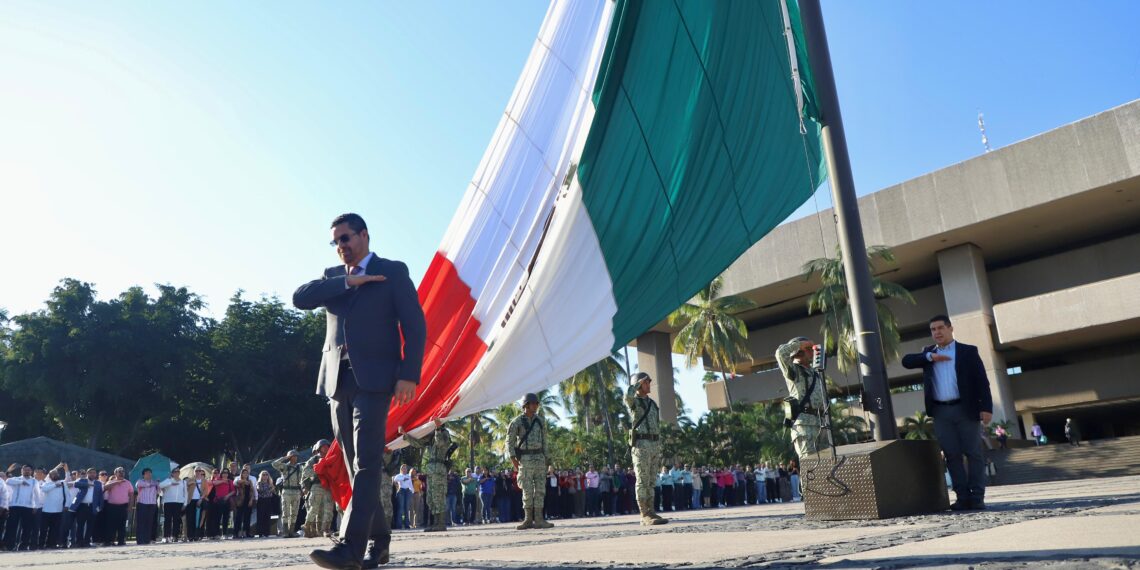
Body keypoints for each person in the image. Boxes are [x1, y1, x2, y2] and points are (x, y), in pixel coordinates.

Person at [294, 212, 427, 570]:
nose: (342, 247)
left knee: (367, 463)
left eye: (347, 238)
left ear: (364, 235)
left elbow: (416, 327)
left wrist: (409, 374)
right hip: (338, 382)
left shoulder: (393, 271)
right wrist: (349, 283)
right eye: (336, 241)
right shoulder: (333, 278)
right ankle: (380, 543)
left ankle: (351, 547)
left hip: (376, 381)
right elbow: (299, 298)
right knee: (355, 469)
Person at [902, 314, 994, 511]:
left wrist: (986, 408)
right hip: (941, 412)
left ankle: (977, 497)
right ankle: (962, 497)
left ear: (950, 328)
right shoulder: (927, 353)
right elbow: (906, 361)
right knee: (951, 456)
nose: (937, 332)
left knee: (974, 453)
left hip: (966, 409)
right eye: (933, 329)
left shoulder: (967, 351)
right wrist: (930, 357)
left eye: (940, 328)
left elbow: (982, 381)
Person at [625, 372, 668, 526]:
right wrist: (636, 384)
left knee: (651, 481)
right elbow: (627, 397)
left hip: (654, 445)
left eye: (649, 382)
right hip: (641, 445)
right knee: (642, 480)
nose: (649, 384)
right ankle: (644, 513)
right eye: (646, 382)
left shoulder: (653, 404)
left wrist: (659, 445)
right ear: (639, 385)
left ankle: (651, 510)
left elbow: (657, 425)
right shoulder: (634, 402)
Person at [776, 337, 829, 459]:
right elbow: (780, 353)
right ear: (799, 352)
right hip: (805, 427)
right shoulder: (794, 371)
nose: (812, 352)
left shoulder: (814, 372)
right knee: (810, 467)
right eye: (809, 349)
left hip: (821, 425)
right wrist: (800, 344)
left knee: (827, 469)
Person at [507, 393, 553, 530]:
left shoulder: (540, 420)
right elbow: (509, 442)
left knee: (540, 490)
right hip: (525, 460)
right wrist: (513, 459)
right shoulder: (516, 422)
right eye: (533, 403)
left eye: (537, 404)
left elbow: (545, 441)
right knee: (527, 490)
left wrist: (548, 460)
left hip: (539, 458)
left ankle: (539, 519)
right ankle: (528, 519)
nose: (536, 406)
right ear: (526, 405)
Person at [400, 419, 453, 533]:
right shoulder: (431, 437)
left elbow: (440, 443)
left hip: (439, 469)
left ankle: (441, 523)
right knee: (431, 497)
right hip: (431, 470)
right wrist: (405, 435)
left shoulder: (444, 434)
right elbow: (418, 443)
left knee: (438, 496)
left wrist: (438, 429)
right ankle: (434, 523)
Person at [303, 439, 335, 538]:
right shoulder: (313, 460)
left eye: (327, 446)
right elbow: (306, 472)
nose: (325, 448)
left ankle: (325, 529)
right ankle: (307, 526)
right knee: (314, 508)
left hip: (329, 486)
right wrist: (319, 469)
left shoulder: (332, 458)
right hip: (317, 485)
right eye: (323, 446)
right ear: (318, 448)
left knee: (329, 509)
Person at [272, 450, 304, 538]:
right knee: (285, 512)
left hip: (296, 492)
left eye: (296, 456)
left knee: (294, 512)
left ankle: (291, 531)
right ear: (290, 457)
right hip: (286, 491)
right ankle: (285, 531)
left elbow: (303, 479)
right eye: (293, 456)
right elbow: (274, 464)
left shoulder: (299, 468)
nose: (295, 458)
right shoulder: (285, 467)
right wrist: (285, 458)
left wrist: (303, 490)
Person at [70, 468, 103, 548]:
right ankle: (79, 542)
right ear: (87, 474)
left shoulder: (98, 483)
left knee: (90, 525)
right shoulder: (83, 480)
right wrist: (87, 485)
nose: (92, 474)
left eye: (94, 473)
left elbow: (100, 496)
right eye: (90, 473)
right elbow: (75, 484)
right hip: (82, 506)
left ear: (96, 474)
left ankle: (87, 542)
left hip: (92, 506)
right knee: (80, 525)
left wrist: (99, 507)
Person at [101, 467, 133, 546]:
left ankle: (121, 541)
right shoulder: (111, 481)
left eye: (123, 472)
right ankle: (109, 541)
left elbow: (131, 494)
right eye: (120, 472)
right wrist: (116, 482)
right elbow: (104, 488)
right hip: (112, 506)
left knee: (122, 525)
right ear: (115, 474)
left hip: (123, 506)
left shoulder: (128, 483)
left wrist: (130, 506)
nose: (122, 473)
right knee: (111, 524)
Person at [158, 467, 186, 543]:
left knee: (176, 520)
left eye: (178, 471)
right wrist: (170, 483)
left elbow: (185, 493)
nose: (177, 473)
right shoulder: (168, 480)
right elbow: (160, 485)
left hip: (179, 503)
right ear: (172, 473)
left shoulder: (183, 482)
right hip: (168, 502)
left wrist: (185, 503)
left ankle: (175, 536)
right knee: (167, 520)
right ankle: (166, 536)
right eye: (175, 472)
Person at [134, 468, 160, 545]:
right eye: (147, 473)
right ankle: (140, 540)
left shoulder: (155, 482)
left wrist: (158, 484)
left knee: (149, 522)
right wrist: (155, 484)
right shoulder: (140, 481)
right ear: (143, 475)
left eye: (150, 473)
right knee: (141, 522)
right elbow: (144, 485)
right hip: (142, 503)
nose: (149, 474)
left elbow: (159, 492)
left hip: (152, 504)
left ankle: (147, 539)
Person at [233, 467, 255, 538]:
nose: (245, 474)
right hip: (240, 501)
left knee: (247, 518)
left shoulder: (250, 481)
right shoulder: (238, 480)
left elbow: (252, 491)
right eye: (244, 473)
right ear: (241, 474)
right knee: (238, 517)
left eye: (246, 473)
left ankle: (246, 532)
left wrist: (251, 500)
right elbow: (235, 483)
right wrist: (243, 481)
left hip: (248, 500)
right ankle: (237, 533)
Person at [255, 471, 278, 537]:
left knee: (267, 516)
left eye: (266, 475)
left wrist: (272, 488)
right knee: (260, 517)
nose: (265, 476)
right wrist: (270, 489)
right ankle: (260, 533)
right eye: (263, 475)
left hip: (268, 500)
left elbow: (274, 492)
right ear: (261, 476)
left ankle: (266, 532)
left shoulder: (270, 483)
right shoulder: (259, 483)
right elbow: (261, 491)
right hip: (261, 501)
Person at [392, 465, 413, 530]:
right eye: (403, 468)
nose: (404, 469)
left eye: (405, 468)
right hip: (401, 491)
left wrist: (412, 491)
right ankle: (399, 525)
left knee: (406, 508)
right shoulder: (399, 475)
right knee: (400, 508)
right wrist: (403, 479)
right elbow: (395, 479)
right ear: (401, 469)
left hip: (407, 491)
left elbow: (410, 484)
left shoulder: (408, 476)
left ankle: (407, 525)